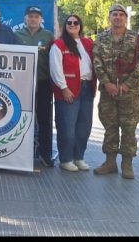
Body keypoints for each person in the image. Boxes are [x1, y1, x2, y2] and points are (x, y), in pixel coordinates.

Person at [92, 4, 139, 180]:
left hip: (129, 92)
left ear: (126, 18)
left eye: (121, 14)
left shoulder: (136, 39)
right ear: (109, 17)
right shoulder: (101, 38)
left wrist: (128, 84)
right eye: (114, 14)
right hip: (108, 91)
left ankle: (127, 163)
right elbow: (96, 61)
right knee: (110, 126)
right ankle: (110, 162)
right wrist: (107, 83)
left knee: (129, 127)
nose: (117, 17)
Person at [49, 15, 96, 172]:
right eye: (69, 22)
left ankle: (78, 157)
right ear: (65, 25)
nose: (72, 25)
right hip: (68, 90)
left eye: (76, 22)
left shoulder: (88, 43)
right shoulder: (59, 44)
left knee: (84, 127)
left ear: (80, 25)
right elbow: (55, 68)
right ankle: (66, 159)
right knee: (67, 127)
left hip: (86, 88)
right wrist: (63, 87)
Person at [14, 5, 56, 168]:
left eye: (36, 16)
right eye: (30, 16)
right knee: (22, 118)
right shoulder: (16, 35)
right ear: (25, 18)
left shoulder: (48, 36)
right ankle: (19, 153)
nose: (33, 19)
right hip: (22, 83)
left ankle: (45, 154)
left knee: (44, 119)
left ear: (41, 19)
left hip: (44, 82)